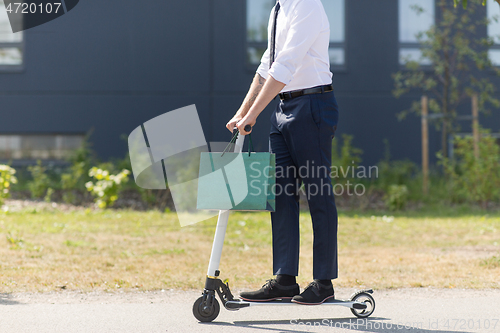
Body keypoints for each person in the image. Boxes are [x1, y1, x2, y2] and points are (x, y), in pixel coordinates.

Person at [226, 0, 339, 305]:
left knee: (318, 193)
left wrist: (254, 114)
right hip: (283, 106)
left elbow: (285, 65)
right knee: (280, 194)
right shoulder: (279, 8)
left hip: (313, 105)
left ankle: (323, 282)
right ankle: (285, 279)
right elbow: (266, 66)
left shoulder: (307, 5)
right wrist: (243, 112)